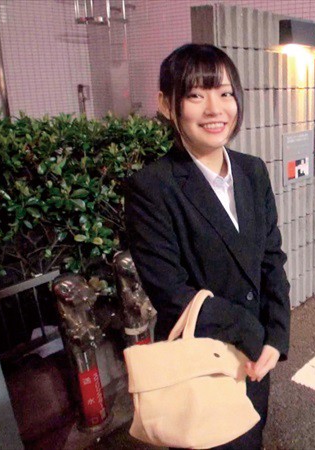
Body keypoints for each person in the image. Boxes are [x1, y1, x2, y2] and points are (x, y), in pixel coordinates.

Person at [124, 43, 290, 449]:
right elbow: (170, 292)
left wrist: (277, 333)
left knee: (252, 435)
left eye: (225, 93)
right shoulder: (152, 187)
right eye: (196, 95)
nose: (215, 109)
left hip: (255, 359)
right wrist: (251, 331)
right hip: (201, 364)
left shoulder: (252, 171)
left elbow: (271, 259)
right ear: (167, 105)